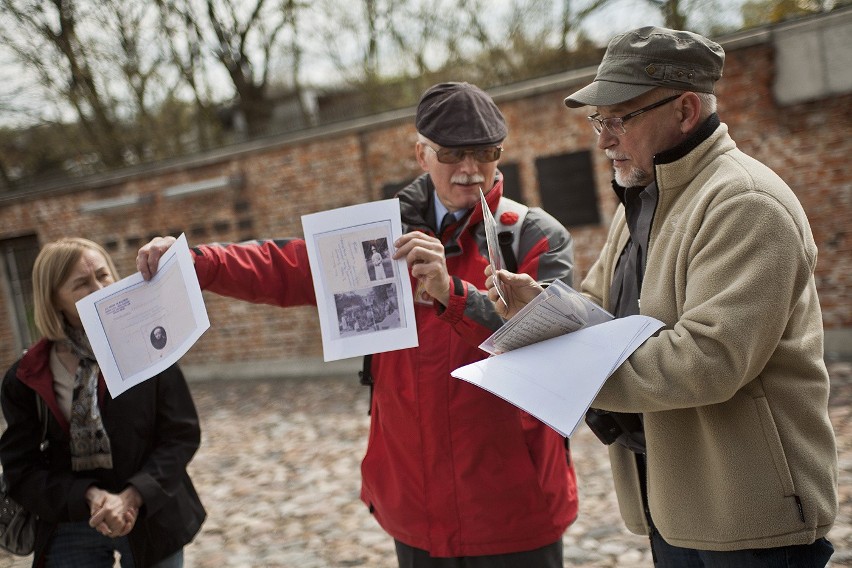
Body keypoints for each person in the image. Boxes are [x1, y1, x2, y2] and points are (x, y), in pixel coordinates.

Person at [137, 82, 579, 567]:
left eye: (485, 152)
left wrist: (454, 295)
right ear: (422, 154)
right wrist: (196, 262)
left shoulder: (534, 235)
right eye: (453, 153)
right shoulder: (379, 231)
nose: (470, 168)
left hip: (512, 506)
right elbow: (286, 267)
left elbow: (552, 345)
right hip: (415, 501)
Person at [486, 27, 837, 567]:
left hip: (749, 516)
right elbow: (598, 305)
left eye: (618, 119)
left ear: (686, 110)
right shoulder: (646, 196)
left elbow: (710, 359)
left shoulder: (743, 202)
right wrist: (537, 308)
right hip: (673, 502)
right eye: (596, 120)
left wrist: (566, 368)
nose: (603, 138)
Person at [0, 238, 205, 567]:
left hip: (150, 512)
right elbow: (20, 469)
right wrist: (90, 497)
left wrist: (131, 497)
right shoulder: (27, 376)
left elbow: (181, 434)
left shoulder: (150, 344)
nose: (98, 288)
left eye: (102, 275)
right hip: (71, 517)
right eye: (81, 284)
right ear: (53, 299)